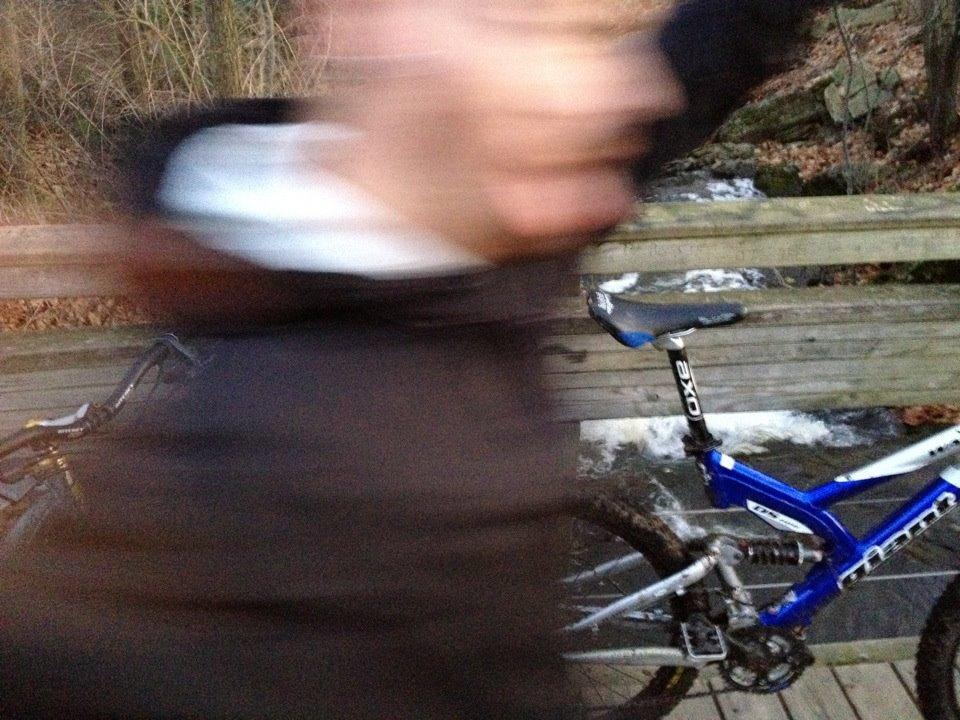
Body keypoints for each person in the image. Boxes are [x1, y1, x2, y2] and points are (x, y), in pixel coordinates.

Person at [0, 0, 828, 717]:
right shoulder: (216, 505)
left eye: (601, 35)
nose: (625, 88)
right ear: (361, 19)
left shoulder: (489, 217)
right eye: (531, 21)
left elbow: (705, 56)